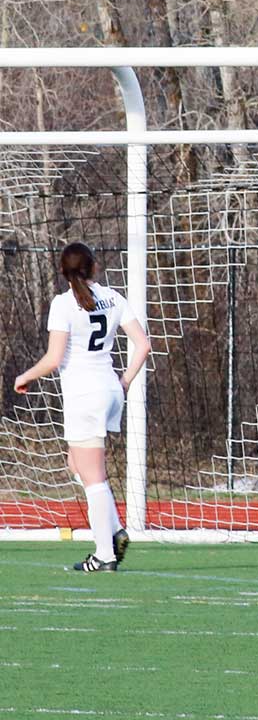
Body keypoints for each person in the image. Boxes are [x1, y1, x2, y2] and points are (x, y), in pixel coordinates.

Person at [14, 242, 151, 572]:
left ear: (63, 272)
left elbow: (54, 359)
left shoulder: (63, 304)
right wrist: (124, 383)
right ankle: (115, 530)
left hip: (85, 397)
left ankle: (104, 554)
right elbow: (143, 345)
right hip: (109, 391)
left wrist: (25, 376)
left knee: (94, 479)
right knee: (76, 464)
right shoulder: (113, 297)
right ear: (94, 267)